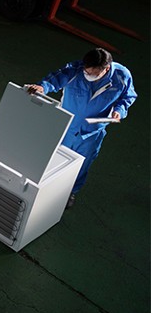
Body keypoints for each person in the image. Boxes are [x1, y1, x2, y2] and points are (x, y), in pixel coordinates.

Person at [25, 47, 136, 208]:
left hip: (92, 132)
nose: (87, 75)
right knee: (53, 158)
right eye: (86, 70)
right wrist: (42, 87)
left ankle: (70, 192)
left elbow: (128, 96)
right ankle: (43, 188)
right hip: (67, 126)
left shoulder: (122, 76)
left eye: (92, 73)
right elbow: (55, 79)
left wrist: (120, 110)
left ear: (106, 69)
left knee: (81, 165)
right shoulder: (75, 70)